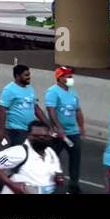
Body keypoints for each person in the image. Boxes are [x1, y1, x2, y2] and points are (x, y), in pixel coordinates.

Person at [0, 120, 64, 194]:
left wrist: (58, 177)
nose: (41, 138)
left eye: (44, 136)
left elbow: (57, 171)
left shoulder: (50, 152)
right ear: (28, 136)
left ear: (49, 136)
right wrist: (12, 185)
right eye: (36, 136)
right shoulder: (20, 152)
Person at [45, 66, 84, 194]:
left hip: (73, 133)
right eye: (68, 76)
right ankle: (47, 181)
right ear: (60, 78)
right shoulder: (52, 92)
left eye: (71, 76)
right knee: (52, 157)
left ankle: (73, 185)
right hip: (58, 134)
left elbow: (78, 111)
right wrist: (58, 128)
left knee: (75, 159)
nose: (71, 79)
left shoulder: (73, 93)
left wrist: (81, 126)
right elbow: (51, 111)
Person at [0, 64, 48, 150]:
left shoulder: (30, 89)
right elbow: (2, 110)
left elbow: (36, 109)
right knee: (20, 155)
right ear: (17, 76)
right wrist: (2, 130)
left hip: (30, 130)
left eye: (29, 75)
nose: (29, 77)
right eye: (26, 75)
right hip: (16, 130)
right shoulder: (9, 90)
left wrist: (47, 125)